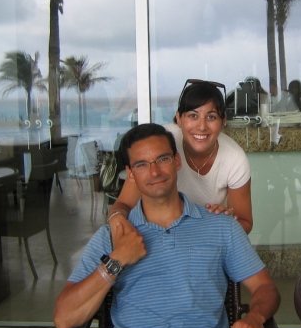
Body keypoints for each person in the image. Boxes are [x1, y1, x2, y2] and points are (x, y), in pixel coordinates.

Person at [53, 123, 280, 328]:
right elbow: (64, 318)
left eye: (162, 159)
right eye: (142, 164)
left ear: (176, 161)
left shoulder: (222, 227)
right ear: (130, 174)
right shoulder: (113, 235)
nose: (154, 172)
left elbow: (265, 288)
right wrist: (116, 260)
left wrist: (255, 317)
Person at [108, 79, 253, 234]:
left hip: (207, 235)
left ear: (223, 121)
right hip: (156, 232)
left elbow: (245, 221)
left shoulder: (234, 159)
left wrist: (227, 222)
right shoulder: (161, 143)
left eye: (211, 117)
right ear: (178, 118)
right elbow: (123, 205)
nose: (202, 126)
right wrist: (117, 223)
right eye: (193, 116)